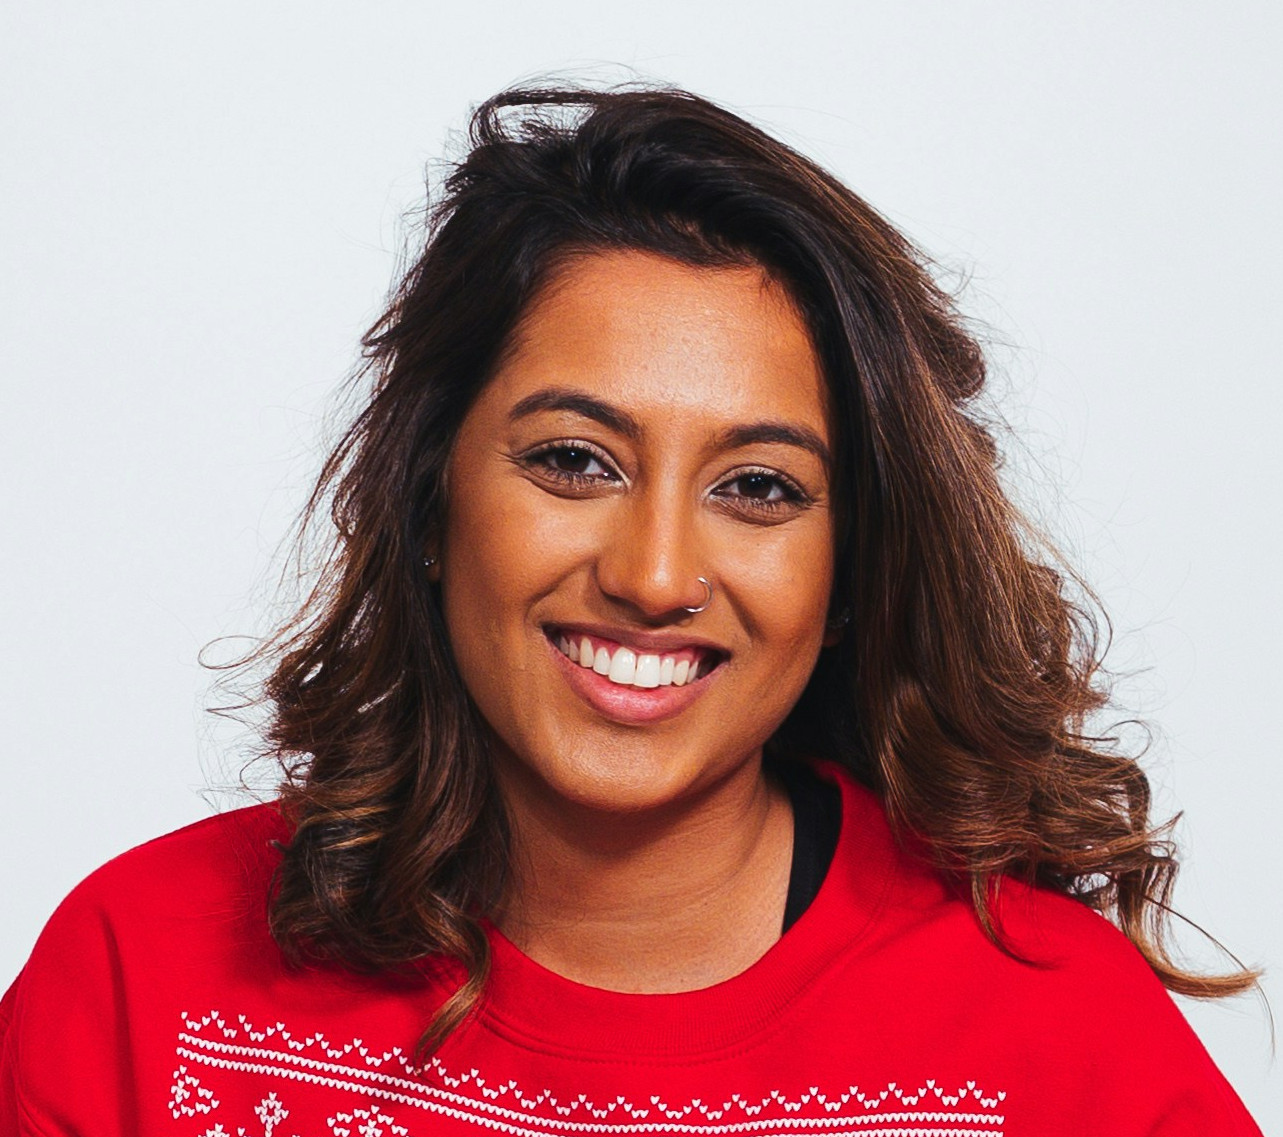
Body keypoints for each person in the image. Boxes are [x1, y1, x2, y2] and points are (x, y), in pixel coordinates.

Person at [0, 84, 1264, 1136]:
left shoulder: (1053, 1040)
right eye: (573, 461)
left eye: (758, 487)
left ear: (850, 575)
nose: (655, 577)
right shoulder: (143, 983)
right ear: (430, 500)